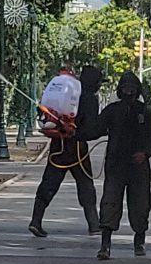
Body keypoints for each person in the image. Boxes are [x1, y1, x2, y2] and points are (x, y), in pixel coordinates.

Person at [81, 72, 151, 260]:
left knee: (141, 205)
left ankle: (139, 241)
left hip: (138, 166)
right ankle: (105, 245)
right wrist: (75, 132)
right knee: (110, 203)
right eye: (125, 88)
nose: (128, 92)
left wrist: (145, 153)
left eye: (132, 89)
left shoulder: (144, 112)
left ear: (137, 91)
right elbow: (95, 129)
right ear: (120, 90)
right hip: (116, 164)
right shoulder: (112, 110)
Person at [28, 65, 103, 237]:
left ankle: (35, 220)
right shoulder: (89, 98)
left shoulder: (72, 93)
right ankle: (94, 224)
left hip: (58, 146)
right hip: (77, 148)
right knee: (86, 185)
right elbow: (90, 128)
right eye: (99, 82)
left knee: (49, 183)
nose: (99, 86)